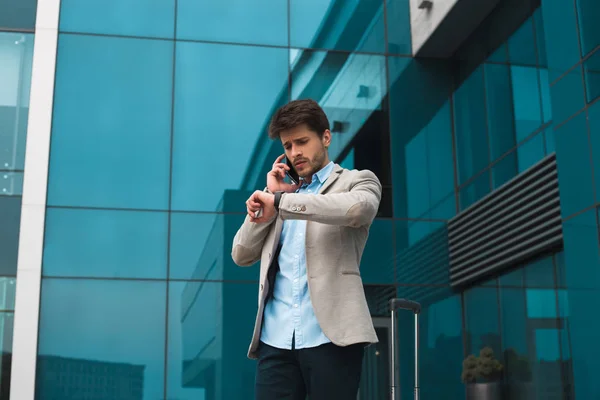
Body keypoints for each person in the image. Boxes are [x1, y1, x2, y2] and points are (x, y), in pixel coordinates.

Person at [231, 99, 381, 400]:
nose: (295, 152)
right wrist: (271, 200)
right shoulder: (281, 197)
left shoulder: (356, 181)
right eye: (287, 146)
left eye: (302, 141)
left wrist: (285, 203)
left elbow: (358, 210)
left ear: (326, 137)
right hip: (276, 341)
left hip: (332, 339)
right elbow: (241, 254)